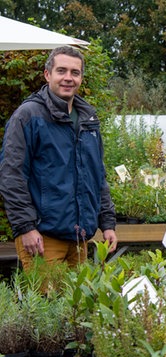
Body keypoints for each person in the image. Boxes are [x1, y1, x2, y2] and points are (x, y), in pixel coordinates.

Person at [0, 46, 118, 269]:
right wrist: (26, 227)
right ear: (47, 75)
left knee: (76, 304)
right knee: (49, 303)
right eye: (61, 71)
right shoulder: (28, 116)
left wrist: (108, 223)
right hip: (43, 238)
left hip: (79, 238)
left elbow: (97, 176)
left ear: (81, 77)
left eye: (75, 72)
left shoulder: (88, 120)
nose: (68, 78)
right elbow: (11, 176)